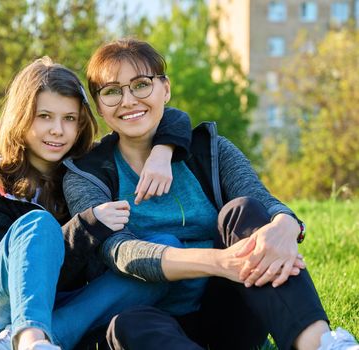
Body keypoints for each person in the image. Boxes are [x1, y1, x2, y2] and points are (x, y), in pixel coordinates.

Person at [62, 38, 359, 350]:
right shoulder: (87, 173)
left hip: (228, 308)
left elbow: (262, 201)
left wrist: (285, 224)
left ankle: (320, 343)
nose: (128, 100)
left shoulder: (211, 150)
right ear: (98, 106)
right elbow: (120, 252)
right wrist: (219, 261)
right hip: (151, 321)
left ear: (166, 89)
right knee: (127, 325)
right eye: (112, 91)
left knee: (243, 210)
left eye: (141, 85)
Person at [0, 56, 191, 350]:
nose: (57, 130)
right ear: (20, 118)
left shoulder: (86, 172)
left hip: (56, 308)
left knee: (161, 253)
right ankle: (31, 338)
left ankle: (24, 342)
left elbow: (173, 116)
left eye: (69, 118)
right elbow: (19, 277)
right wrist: (87, 227)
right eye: (44, 116)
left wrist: (163, 151)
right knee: (38, 225)